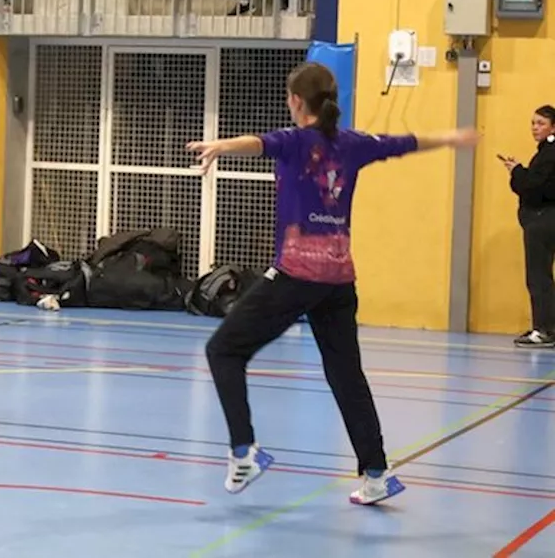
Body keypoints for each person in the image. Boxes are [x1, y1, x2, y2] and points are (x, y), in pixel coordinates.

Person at [185, 62, 479, 505]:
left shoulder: (295, 140)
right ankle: (376, 473)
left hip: (296, 273)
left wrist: (221, 145)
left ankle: (243, 451)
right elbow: (406, 143)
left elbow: (258, 143)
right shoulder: (353, 144)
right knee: (346, 374)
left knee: (222, 350)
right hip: (339, 280)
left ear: (296, 102)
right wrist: (452, 138)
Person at [499, 105, 555, 348]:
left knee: (538, 276)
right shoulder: (545, 152)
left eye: (541, 123)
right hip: (543, 219)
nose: (535, 128)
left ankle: (544, 330)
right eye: (533, 123)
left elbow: (533, 187)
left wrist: (517, 172)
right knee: (542, 276)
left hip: (543, 220)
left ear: (553, 127)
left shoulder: (550, 153)